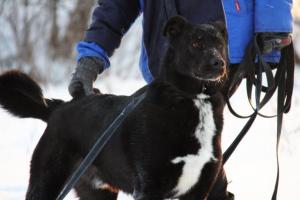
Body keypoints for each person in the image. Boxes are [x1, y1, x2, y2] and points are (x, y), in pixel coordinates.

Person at [68, 0, 293, 199]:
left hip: (222, 45)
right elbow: (117, 5)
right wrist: (91, 58)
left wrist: (273, 29)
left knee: (198, 148)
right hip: (167, 55)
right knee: (185, 150)